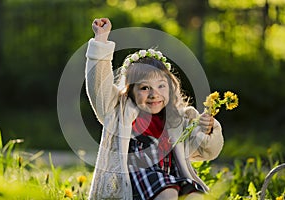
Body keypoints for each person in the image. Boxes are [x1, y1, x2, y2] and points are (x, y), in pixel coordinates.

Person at [85, 18, 224, 200]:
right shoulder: (119, 112)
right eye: (144, 88)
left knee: (194, 195)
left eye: (161, 86)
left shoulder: (179, 119)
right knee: (168, 192)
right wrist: (101, 41)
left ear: (171, 87)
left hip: (172, 177)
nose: (154, 94)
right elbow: (99, 88)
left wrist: (205, 131)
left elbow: (206, 152)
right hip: (137, 180)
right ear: (130, 91)